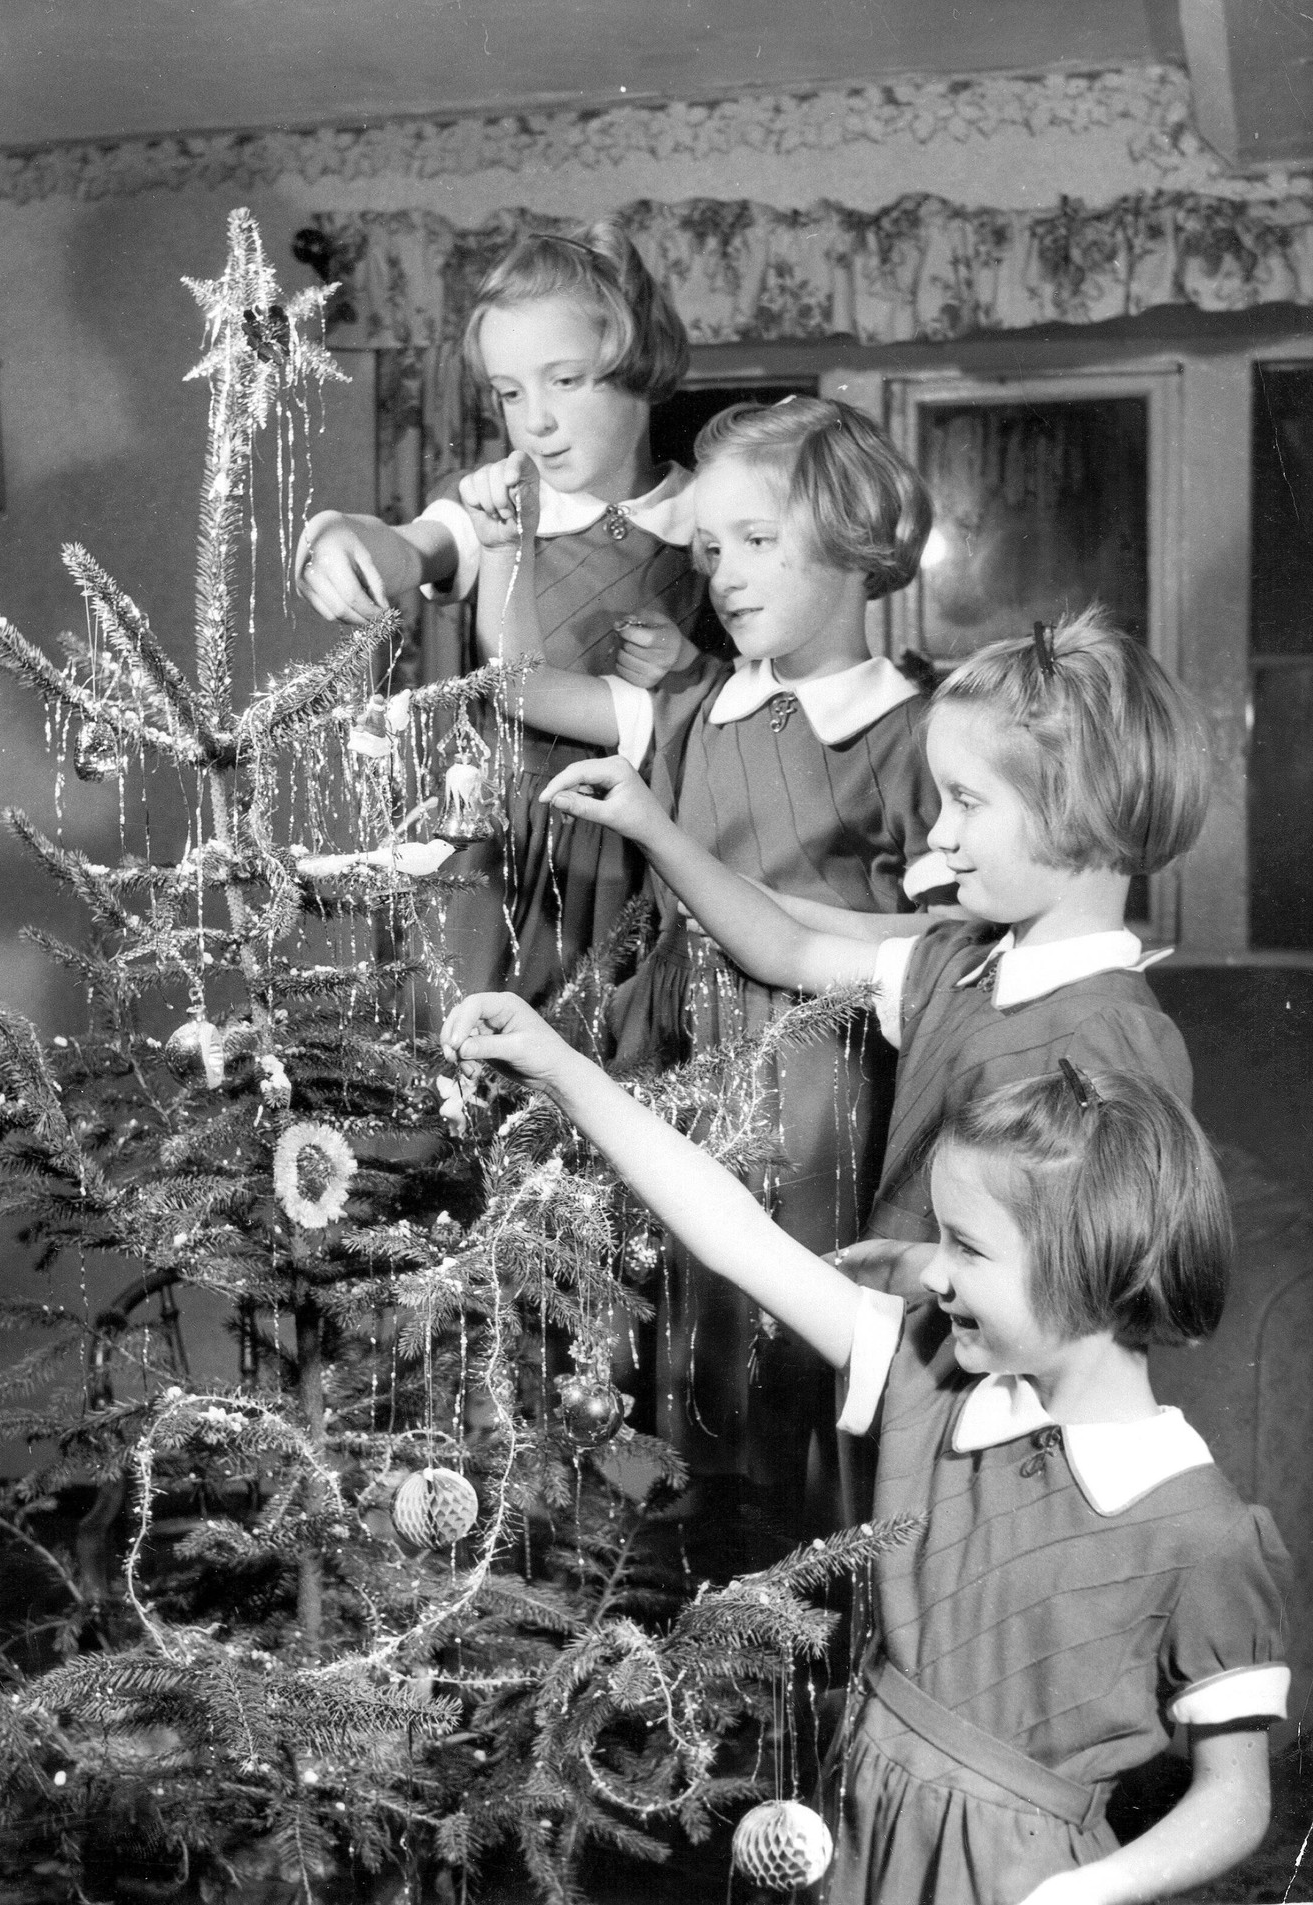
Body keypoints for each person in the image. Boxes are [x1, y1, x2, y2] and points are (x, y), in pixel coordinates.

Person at [439, 992, 1290, 1905]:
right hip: (858, 1829)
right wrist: (565, 1071)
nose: (930, 1270)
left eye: (966, 1247)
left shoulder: (1199, 1530)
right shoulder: (934, 1376)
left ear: (1089, 1267)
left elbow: (1236, 1800)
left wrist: (1086, 1892)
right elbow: (734, 1235)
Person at [471, 398, 942, 1518]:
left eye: (759, 541)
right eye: (711, 545)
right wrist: (496, 546)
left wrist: (780, 923)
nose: (723, 573)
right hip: (678, 1065)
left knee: (806, 1357)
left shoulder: (912, 731)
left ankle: (818, 1624)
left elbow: (953, 943)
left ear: (855, 537)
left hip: (829, 1100)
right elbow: (518, 686)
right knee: (684, 1352)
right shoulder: (693, 703)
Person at [539, 608, 1208, 1306]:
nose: (942, 836)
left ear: (1077, 807)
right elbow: (784, 944)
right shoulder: (956, 967)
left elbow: (1104, 1281)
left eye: (967, 803)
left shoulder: (1114, 1033)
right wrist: (649, 824)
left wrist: (926, 1268)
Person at [294, 217, 719, 1004]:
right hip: (492, 858)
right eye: (510, 392)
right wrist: (334, 536)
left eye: (565, 380)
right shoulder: (499, 500)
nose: (536, 420)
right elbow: (409, 548)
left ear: (639, 363)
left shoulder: (708, 513)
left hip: (643, 854)